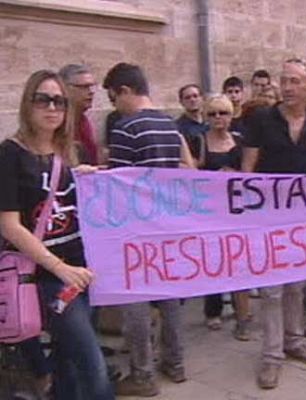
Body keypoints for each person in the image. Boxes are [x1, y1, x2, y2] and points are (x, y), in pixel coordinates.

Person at [0, 69, 114, 399]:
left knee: (67, 358)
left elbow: (57, 193)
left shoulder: (69, 149)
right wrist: (59, 269)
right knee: (93, 364)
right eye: (43, 99)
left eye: (60, 102)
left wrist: (80, 177)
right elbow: (9, 224)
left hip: (82, 266)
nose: (52, 108)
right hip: (46, 274)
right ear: (28, 104)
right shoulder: (9, 154)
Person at [242, 58, 306, 390]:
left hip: (303, 219)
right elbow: (248, 167)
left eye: (295, 81)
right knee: (272, 288)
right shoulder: (261, 119)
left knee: (297, 284)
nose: (288, 87)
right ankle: (272, 355)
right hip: (268, 215)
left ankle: (294, 340)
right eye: (284, 80)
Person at [103, 62, 187, 396]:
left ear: (125, 91)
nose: (113, 106)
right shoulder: (170, 124)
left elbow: (118, 184)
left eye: (113, 98)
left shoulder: (125, 128)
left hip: (136, 227)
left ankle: (143, 374)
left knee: (135, 300)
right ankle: (176, 363)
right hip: (167, 224)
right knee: (169, 298)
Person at [188, 94, 252, 340]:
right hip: (210, 211)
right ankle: (212, 310)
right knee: (213, 261)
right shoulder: (199, 141)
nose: (218, 118)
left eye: (222, 113)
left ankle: (242, 314)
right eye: (212, 113)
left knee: (239, 261)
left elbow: (251, 170)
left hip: (236, 210)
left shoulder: (240, 141)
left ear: (230, 115)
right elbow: (189, 172)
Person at [58, 64, 100, 165]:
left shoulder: (83, 121)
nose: (91, 92)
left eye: (92, 86)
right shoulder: (56, 122)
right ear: (65, 89)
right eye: (84, 87)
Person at [175, 83, 209, 155]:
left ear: (202, 98)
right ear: (181, 102)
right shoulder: (177, 127)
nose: (192, 100)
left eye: (195, 96)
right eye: (188, 97)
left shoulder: (211, 121)